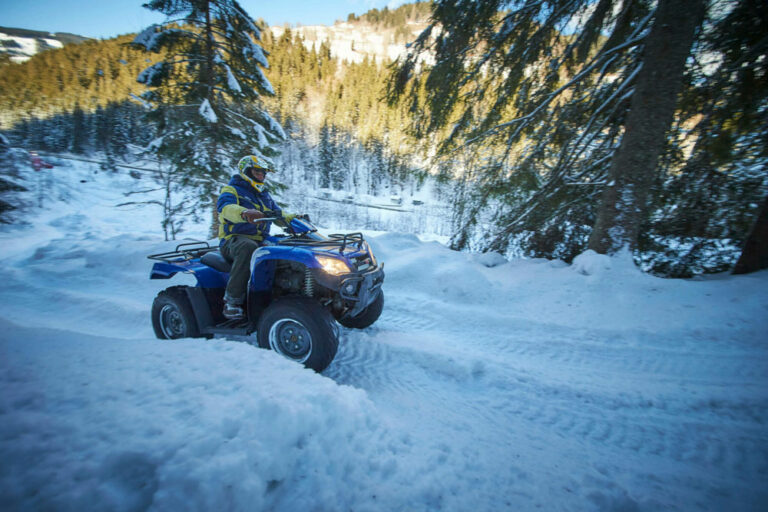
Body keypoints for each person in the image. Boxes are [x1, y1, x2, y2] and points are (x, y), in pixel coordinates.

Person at [216, 155, 300, 320]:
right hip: (234, 240)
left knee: (287, 247)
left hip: (260, 238)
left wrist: (295, 219)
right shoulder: (232, 190)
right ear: (246, 171)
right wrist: (244, 213)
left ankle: (284, 291)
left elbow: (278, 214)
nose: (261, 175)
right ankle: (232, 301)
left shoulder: (264, 195)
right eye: (257, 171)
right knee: (248, 248)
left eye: (263, 172)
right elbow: (225, 208)